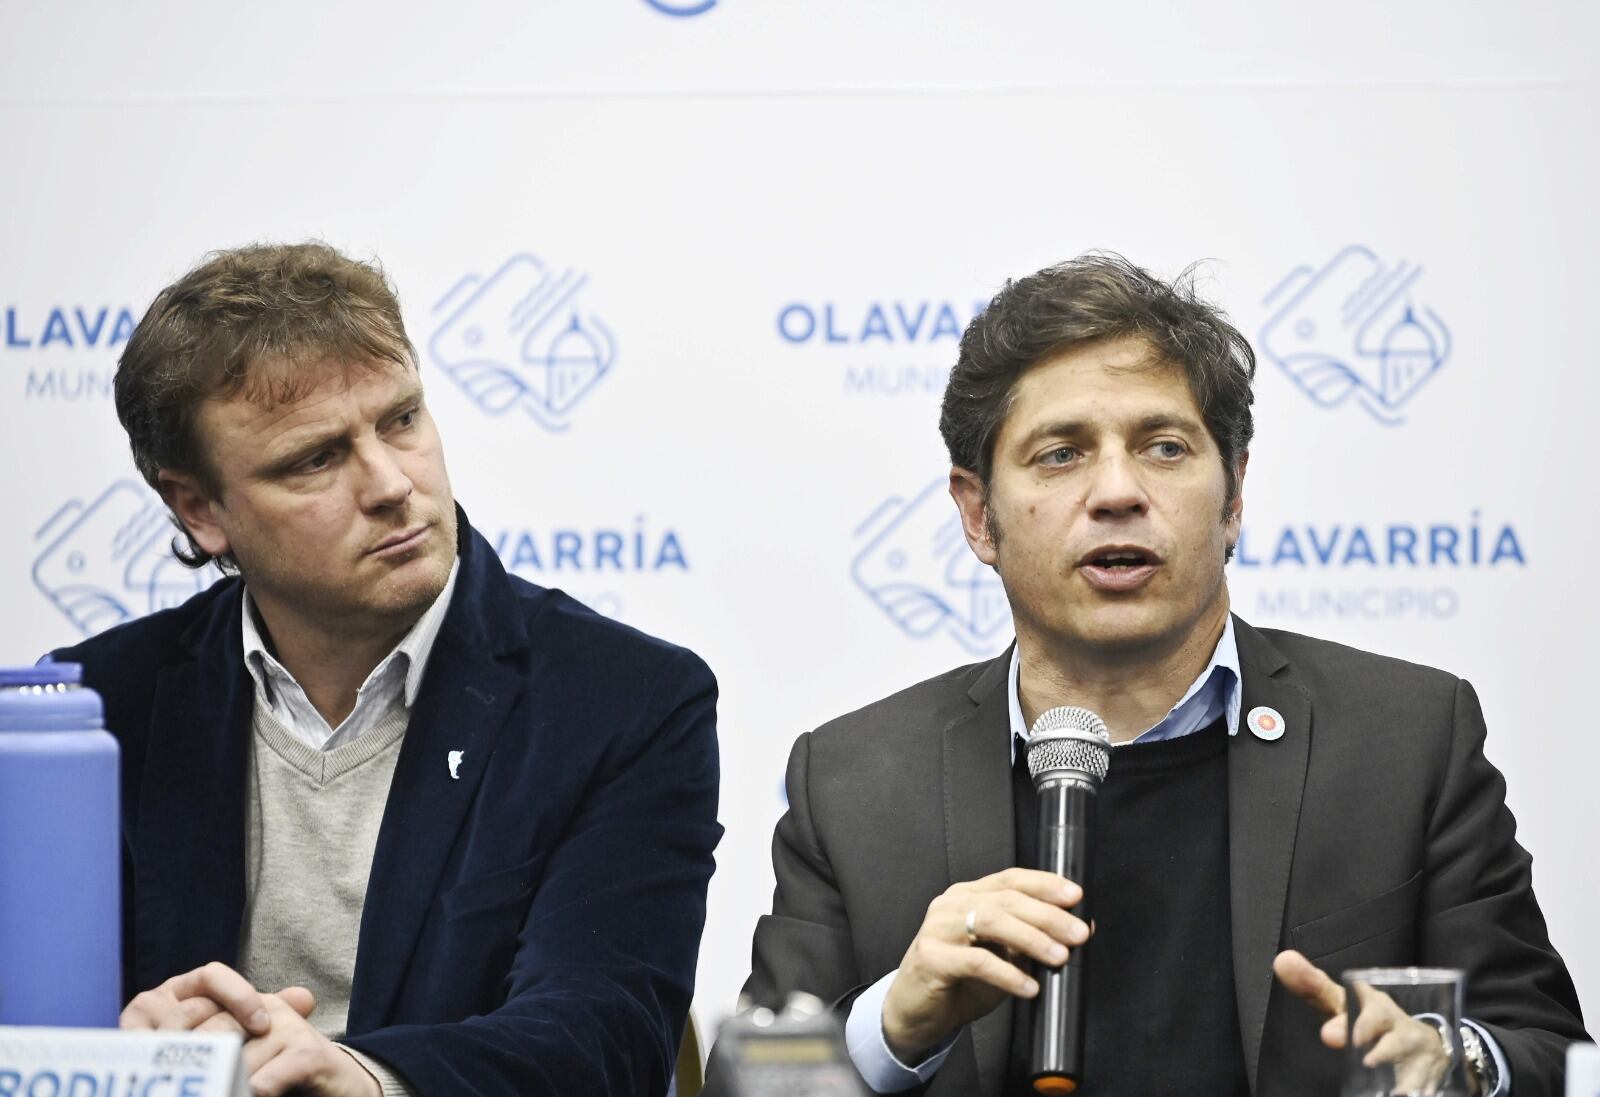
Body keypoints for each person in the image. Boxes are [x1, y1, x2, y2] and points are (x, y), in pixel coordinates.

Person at [713, 254, 1586, 1096]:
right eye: (1061, 453)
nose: (1118, 492)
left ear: (1235, 493)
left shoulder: (1406, 735)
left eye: (1164, 448)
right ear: (979, 514)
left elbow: (1550, 1051)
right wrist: (889, 1026)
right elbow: (746, 1080)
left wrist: (1452, 1055)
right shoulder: (859, 776)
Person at [49, 242, 721, 1097]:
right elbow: (30, 1025)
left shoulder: (622, 699)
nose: (392, 482)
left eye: (401, 419)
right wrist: (105, 1053)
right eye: (316, 459)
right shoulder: (96, 707)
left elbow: (605, 1034)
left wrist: (368, 1078)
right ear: (199, 508)